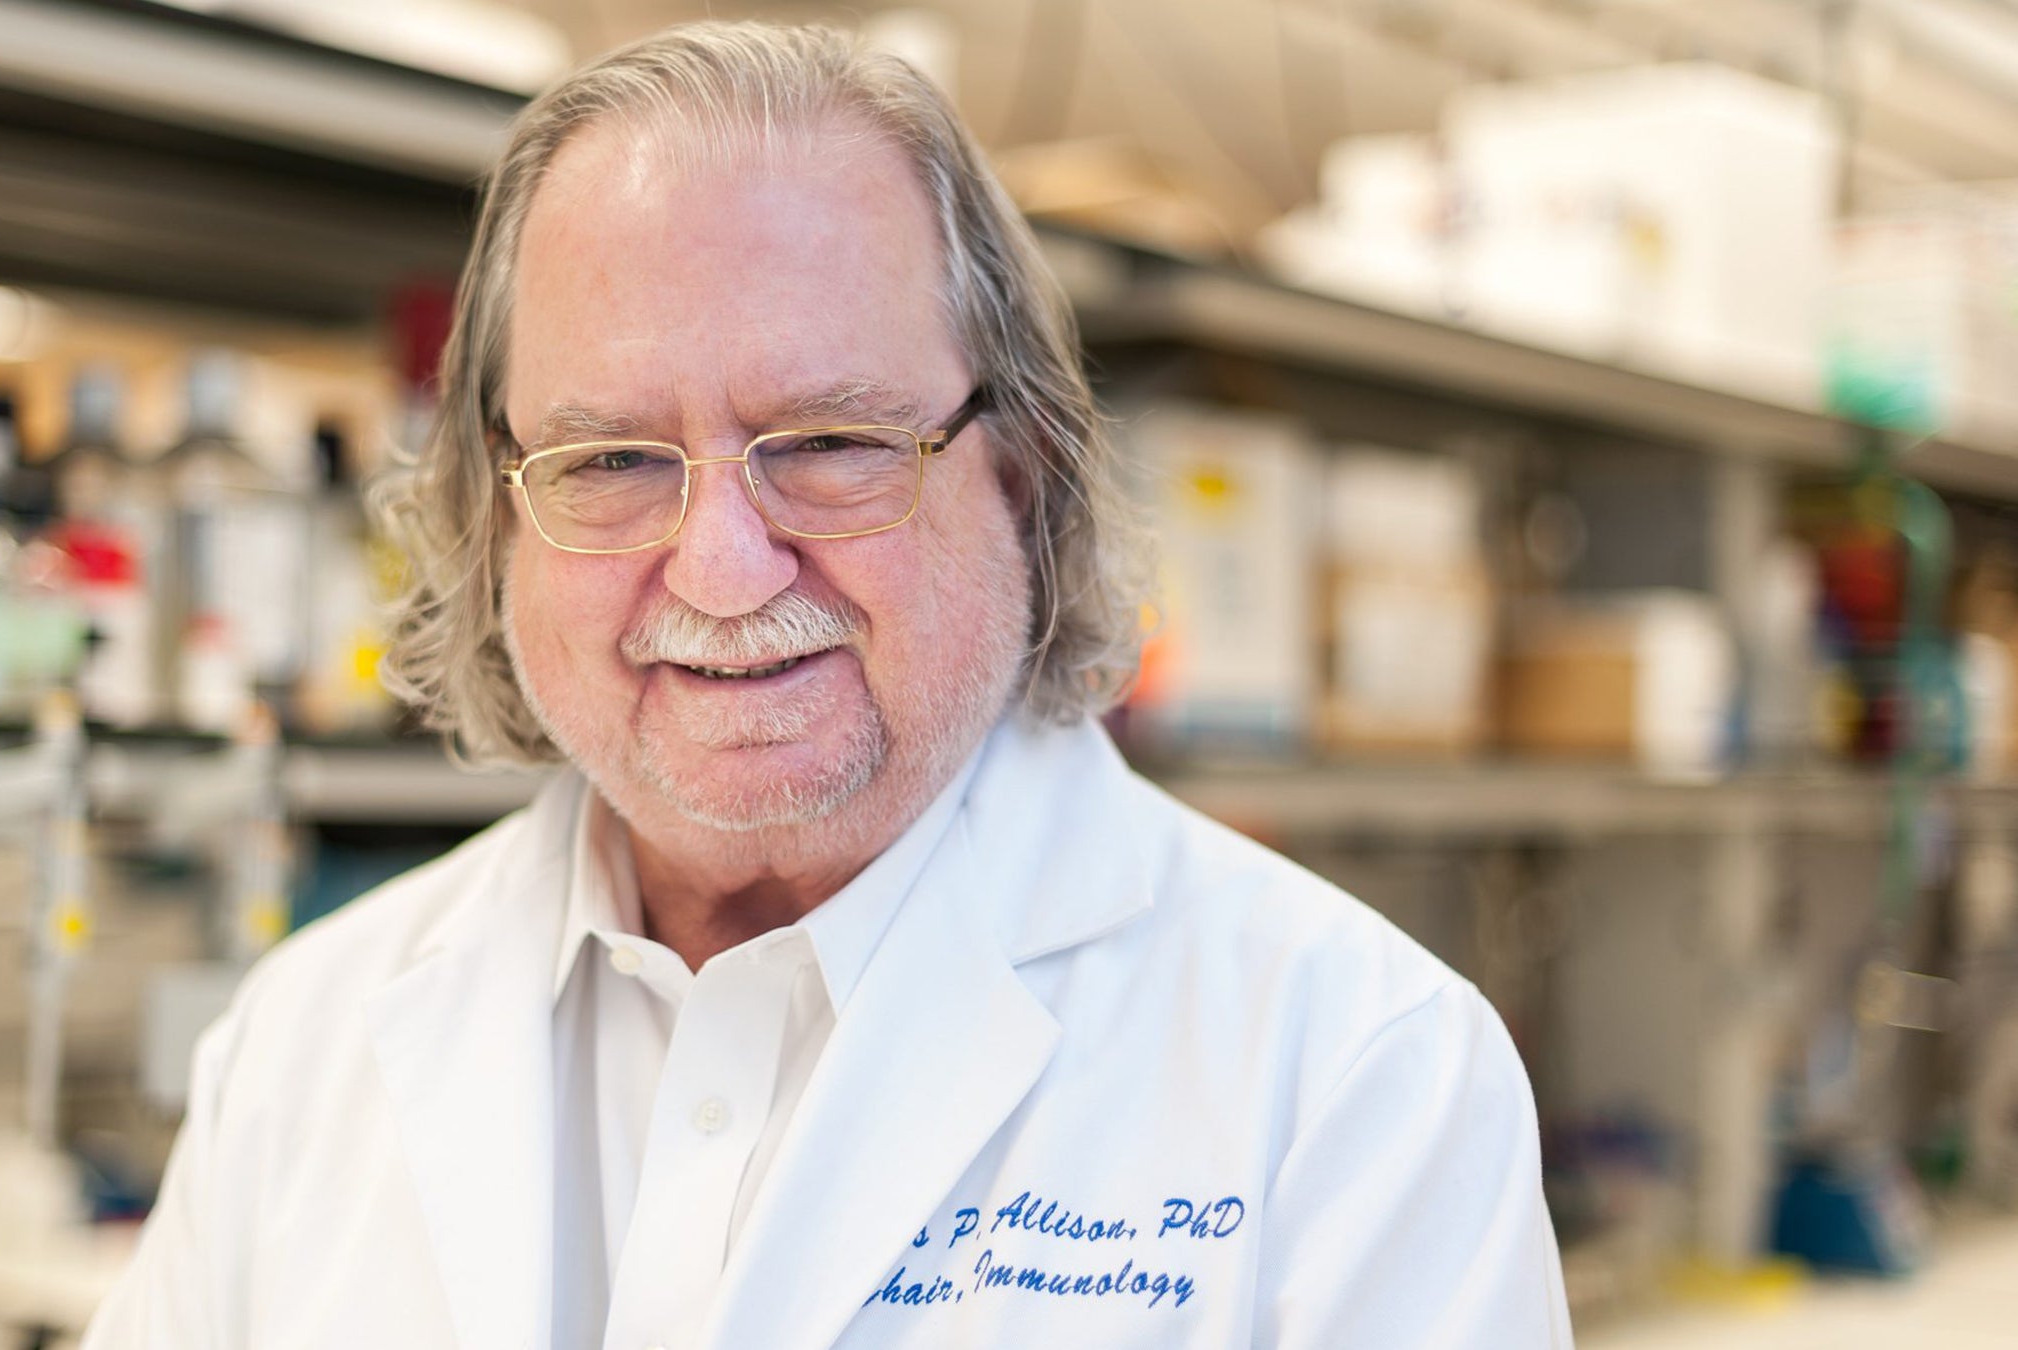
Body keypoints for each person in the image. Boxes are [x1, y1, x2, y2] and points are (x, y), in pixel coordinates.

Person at [82, 20, 1572, 1350]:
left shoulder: (1357, 1076)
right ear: (493, 516)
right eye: (609, 461)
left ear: (1026, 477)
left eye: (832, 442)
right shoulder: (302, 1044)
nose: (725, 570)